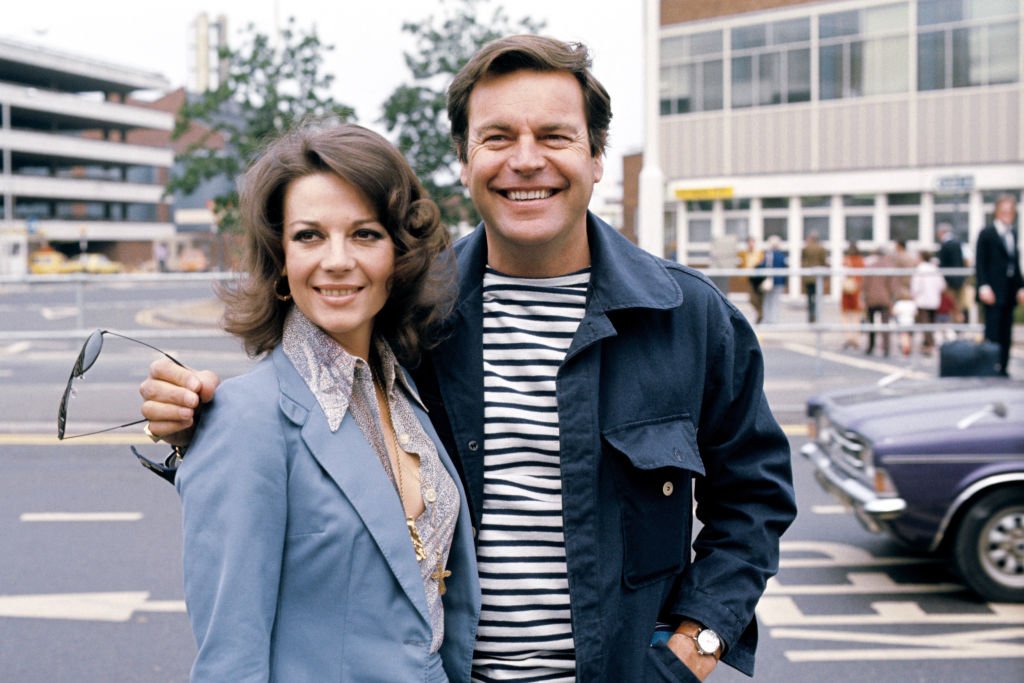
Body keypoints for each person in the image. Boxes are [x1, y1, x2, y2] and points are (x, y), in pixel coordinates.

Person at [141, 36, 796, 682]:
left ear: (597, 156)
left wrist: (697, 641)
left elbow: (753, 499)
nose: (527, 159)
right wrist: (202, 421)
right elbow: (308, 441)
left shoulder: (689, 317)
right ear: (463, 159)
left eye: (555, 136)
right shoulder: (412, 317)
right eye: (498, 137)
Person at [172, 121, 480, 682]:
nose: (337, 260)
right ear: (280, 261)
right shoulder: (245, 418)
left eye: (364, 234)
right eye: (309, 236)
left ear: (399, 256)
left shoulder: (406, 392)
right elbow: (229, 660)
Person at [975, 194, 1024, 375]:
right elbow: (980, 263)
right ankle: (990, 366)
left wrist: (1021, 286)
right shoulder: (987, 233)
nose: (1007, 214)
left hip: (1010, 290)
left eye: (1010, 211)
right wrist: (983, 286)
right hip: (992, 291)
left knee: (1006, 331)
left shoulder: (1014, 233)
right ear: (996, 211)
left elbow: (1015, 263)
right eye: (1004, 210)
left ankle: (1003, 367)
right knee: (993, 330)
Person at [863, 244, 895, 356]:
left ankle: (871, 346)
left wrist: (865, 296)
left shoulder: (871, 266)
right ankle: (886, 348)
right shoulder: (889, 267)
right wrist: (891, 298)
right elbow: (891, 286)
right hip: (885, 298)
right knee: (885, 323)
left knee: (871, 323)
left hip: (871, 298)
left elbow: (865, 284)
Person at [911, 250, 945, 356]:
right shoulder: (934, 268)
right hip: (934, 300)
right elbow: (942, 285)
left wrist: (914, 296)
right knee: (931, 323)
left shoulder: (920, 269)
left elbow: (915, 286)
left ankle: (929, 345)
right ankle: (929, 343)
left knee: (925, 324)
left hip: (923, 300)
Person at [936, 222, 966, 323]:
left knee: (951, 306)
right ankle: (959, 327)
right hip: (960, 279)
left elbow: (943, 265)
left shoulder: (945, 246)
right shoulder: (958, 243)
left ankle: (955, 328)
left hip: (949, 281)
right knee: (958, 306)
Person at [756, 235, 788, 325]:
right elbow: (784, 268)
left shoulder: (767, 255)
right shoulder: (781, 256)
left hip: (768, 281)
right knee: (775, 302)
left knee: (767, 301)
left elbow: (762, 266)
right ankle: (774, 320)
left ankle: (767, 319)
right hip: (779, 282)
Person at [840, 243, 865, 350]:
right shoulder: (861, 261)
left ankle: (849, 337)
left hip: (847, 290)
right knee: (856, 316)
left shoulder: (846, 261)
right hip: (857, 290)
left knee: (845, 316)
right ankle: (855, 338)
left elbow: (842, 274)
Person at [801, 230, 828, 323]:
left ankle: (810, 316)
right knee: (817, 298)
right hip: (817, 277)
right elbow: (823, 261)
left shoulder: (806, 248)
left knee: (810, 298)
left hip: (808, 277)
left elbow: (803, 261)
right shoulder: (821, 249)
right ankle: (816, 315)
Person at [741, 236, 765, 323]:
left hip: (759, 278)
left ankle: (761, 315)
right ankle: (760, 313)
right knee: (752, 299)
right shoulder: (744, 253)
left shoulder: (759, 253)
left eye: (752, 242)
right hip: (750, 278)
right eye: (749, 242)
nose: (750, 244)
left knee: (759, 297)